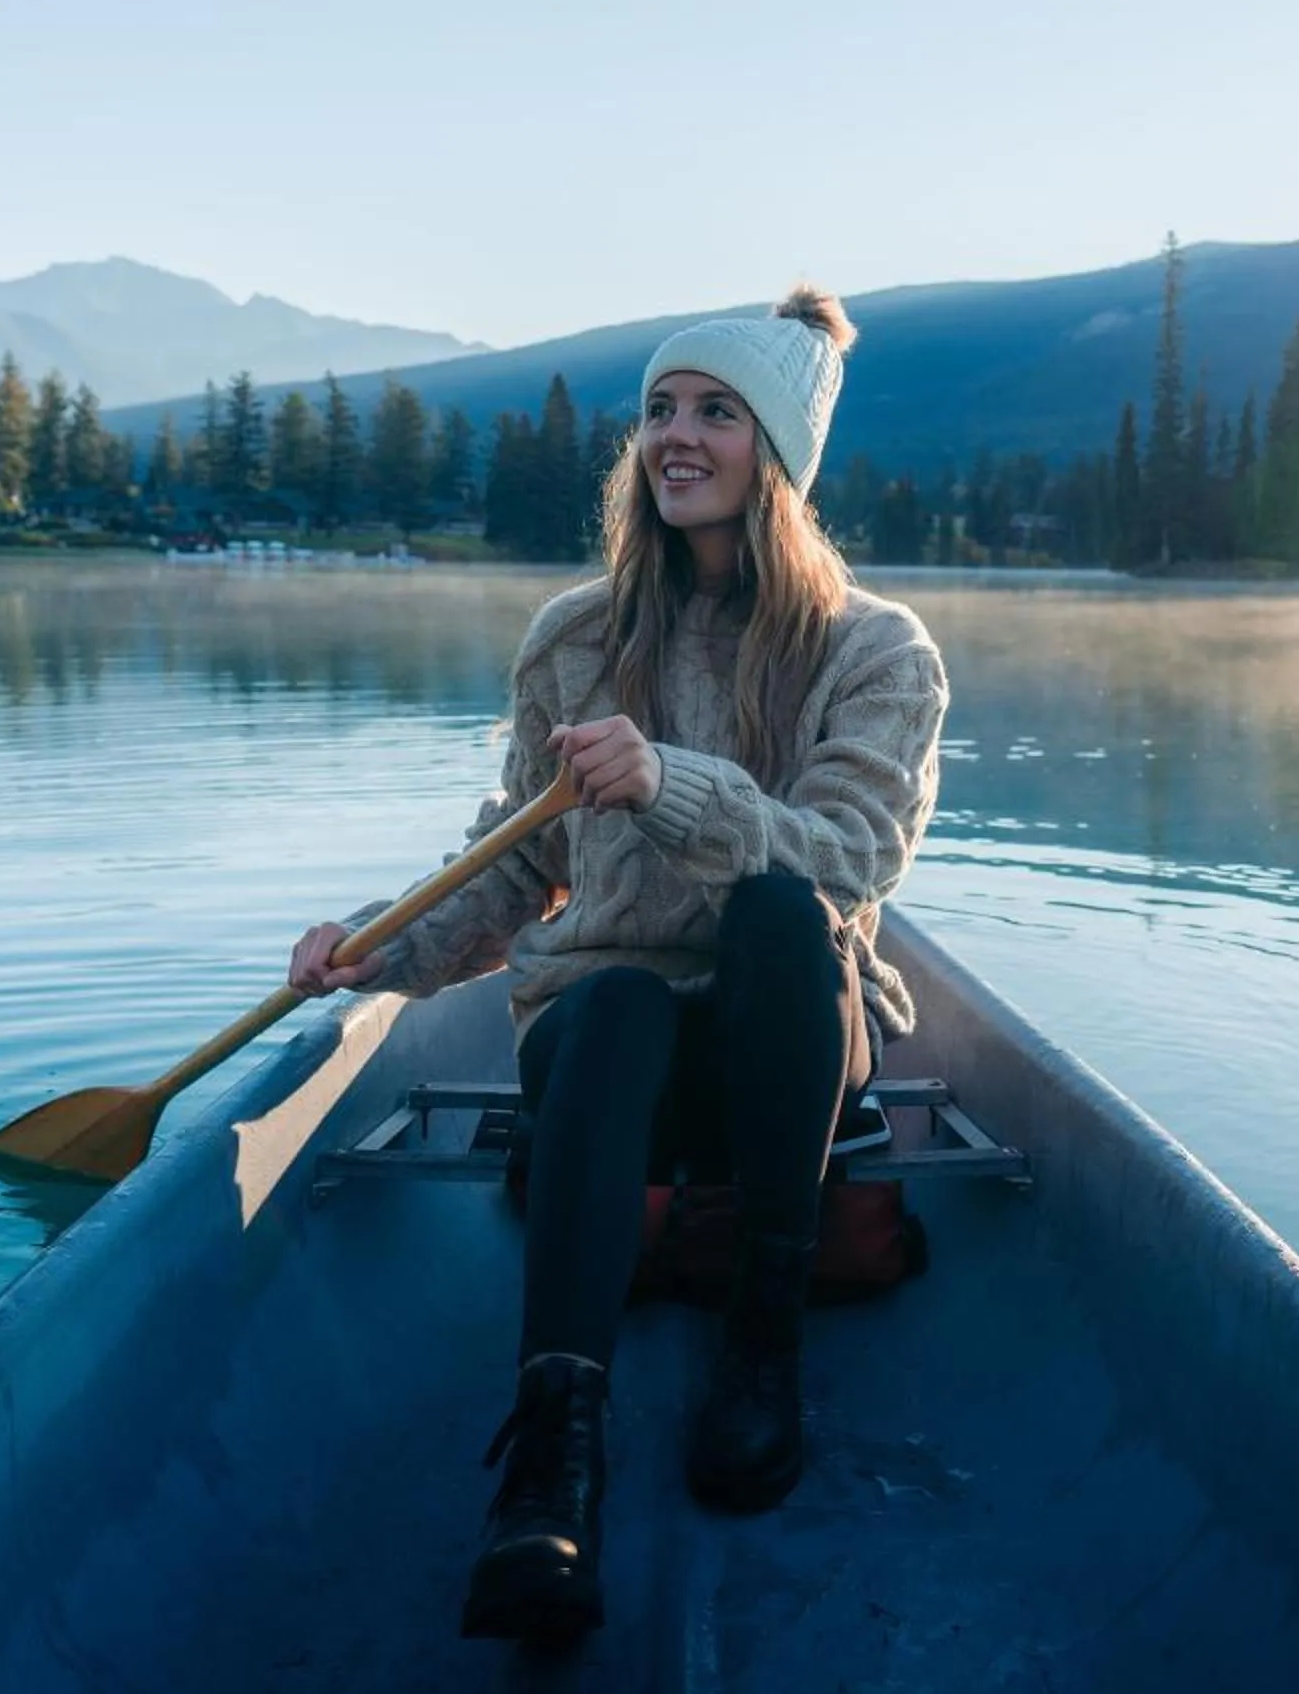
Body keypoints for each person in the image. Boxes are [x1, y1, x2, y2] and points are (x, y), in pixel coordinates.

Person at [285, 286, 948, 1642]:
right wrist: (377, 948)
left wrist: (670, 784)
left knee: (777, 915)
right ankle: (553, 1448)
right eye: (658, 409)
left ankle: (763, 1339)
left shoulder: (874, 651)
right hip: (611, 1058)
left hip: (792, 1047)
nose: (674, 437)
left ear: (779, 455)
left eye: (715, 411)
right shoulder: (576, 640)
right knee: (619, 992)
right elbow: (518, 863)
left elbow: (856, 855)